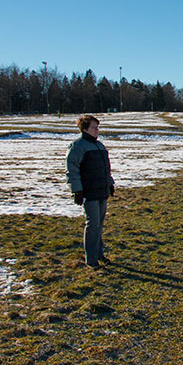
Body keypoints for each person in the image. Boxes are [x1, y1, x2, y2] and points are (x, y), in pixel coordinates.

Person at [66, 115, 115, 269]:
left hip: (102, 191)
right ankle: (91, 259)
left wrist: (110, 183)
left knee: (99, 224)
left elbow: (106, 168)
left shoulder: (99, 146)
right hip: (89, 192)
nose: (97, 130)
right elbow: (72, 170)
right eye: (94, 127)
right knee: (92, 224)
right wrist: (77, 190)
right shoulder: (78, 146)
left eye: (98, 127)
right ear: (85, 128)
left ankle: (99, 254)